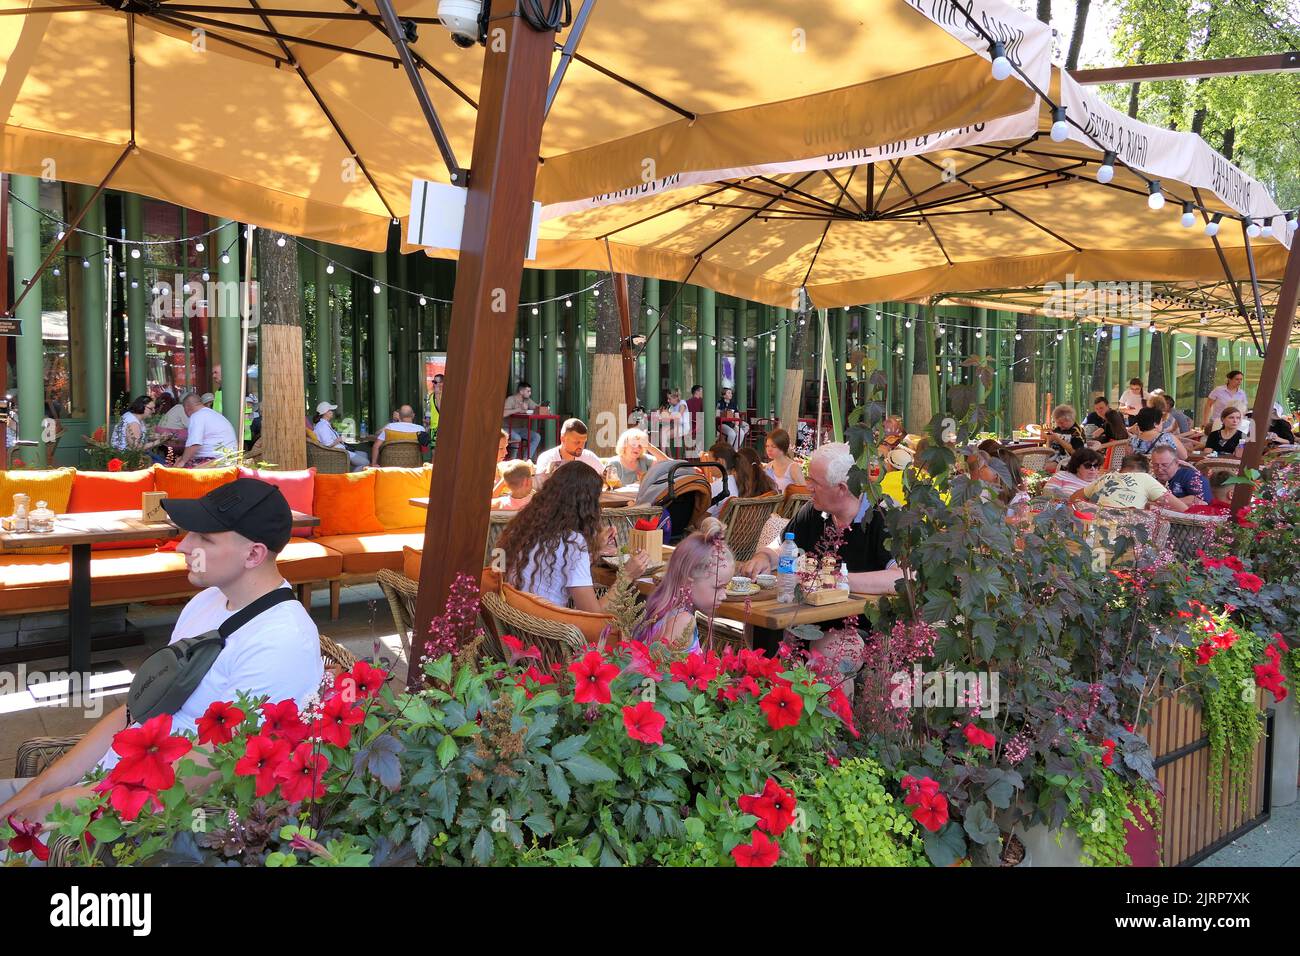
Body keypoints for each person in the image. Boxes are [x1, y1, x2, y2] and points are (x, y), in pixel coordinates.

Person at [0, 478, 324, 828]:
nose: (183, 546)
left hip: (138, 822)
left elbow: (206, 774)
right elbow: (133, 712)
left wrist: (51, 808)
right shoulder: (208, 601)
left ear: (253, 554)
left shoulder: (281, 643)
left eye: (204, 537)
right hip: (97, 787)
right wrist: (31, 796)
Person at [740, 443, 902, 595]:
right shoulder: (815, 510)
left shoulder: (886, 515)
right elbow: (781, 546)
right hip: (811, 618)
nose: (808, 487)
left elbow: (904, 578)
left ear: (841, 489)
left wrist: (832, 579)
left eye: (814, 482)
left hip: (861, 622)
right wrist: (764, 557)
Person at [497, 460, 647, 612]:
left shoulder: (523, 526)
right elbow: (592, 615)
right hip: (553, 631)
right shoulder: (573, 543)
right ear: (586, 506)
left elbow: (558, 566)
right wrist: (626, 576)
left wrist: (593, 550)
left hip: (519, 622)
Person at [633, 518, 733, 654]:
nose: (724, 595)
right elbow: (664, 669)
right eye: (718, 587)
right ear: (688, 580)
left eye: (725, 587)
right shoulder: (683, 622)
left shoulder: (663, 608)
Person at [1069, 453, 1187, 512]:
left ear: (1122, 469)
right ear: (1148, 471)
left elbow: (1074, 498)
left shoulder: (1107, 477)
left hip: (1094, 525)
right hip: (1125, 529)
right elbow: (1182, 508)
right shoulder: (1146, 478)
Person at [535, 418, 604, 484]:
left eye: (584, 442)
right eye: (577, 442)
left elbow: (608, 478)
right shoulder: (547, 458)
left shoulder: (588, 457)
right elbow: (542, 487)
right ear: (563, 439)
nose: (581, 446)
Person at [311, 401, 368, 471]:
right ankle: (352, 478)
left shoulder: (325, 424)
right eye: (330, 410)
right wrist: (340, 439)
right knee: (366, 462)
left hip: (341, 450)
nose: (332, 412)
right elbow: (328, 444)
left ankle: (351, 472)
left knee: (364, 454)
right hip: (338, 453)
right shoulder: (322, 426)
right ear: (325, 413)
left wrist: (340, 437)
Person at [111, 395, 167, 463]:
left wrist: (160, 437)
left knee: (164, 463)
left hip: (132, 455)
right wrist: (158, 442)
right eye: (151, 408)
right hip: (127, 458)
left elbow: (141, 436)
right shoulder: (133, 423)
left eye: (154, 408)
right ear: (141, 406)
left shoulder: (134, 417)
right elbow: (136, 448)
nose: (154, 411)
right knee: (164, 465)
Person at [503, 380, 541, 460]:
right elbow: (503, 413)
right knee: (517, 438)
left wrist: (544, 408)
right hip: (506, 428)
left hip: (521, 429)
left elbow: (537, 408)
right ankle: (513, 459)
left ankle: (526, 459)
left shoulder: (527, 400)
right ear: (521, 391)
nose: (530, 393)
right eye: (528, 391)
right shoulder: (511, 399)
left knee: (536, 436)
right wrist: (518, 409)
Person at [701, 442, 739, 517]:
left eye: (709, 461)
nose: (708, 466)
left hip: (715, 527)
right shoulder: (740, 482)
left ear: (719, 462)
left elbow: (700, 521)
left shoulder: (717, 486)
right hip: (731, 526)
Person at [763, 428, 801, 492]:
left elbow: (804, 493)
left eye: (773, 446)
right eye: (767, 446)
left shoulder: (793, 467)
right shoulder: (769, 466)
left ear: (783, 447)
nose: (769, 449)